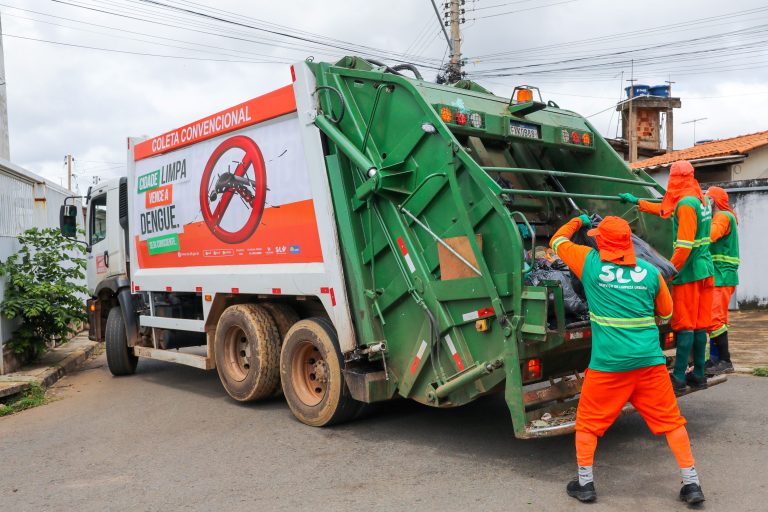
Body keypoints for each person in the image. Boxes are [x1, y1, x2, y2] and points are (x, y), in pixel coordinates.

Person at [550, 214, 705, 505]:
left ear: (601, 241)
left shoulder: (590, 263)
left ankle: (585, 484)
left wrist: (578, 220)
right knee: (672, 422)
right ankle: (692, 484)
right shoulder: (649, 272)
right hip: (649, 363)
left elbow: (557, 240)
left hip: (609, 366)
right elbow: (667, 314)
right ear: (629, 242)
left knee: (587, 423)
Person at [619, 160, 714, 394]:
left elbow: (683, 246)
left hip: (690, 272)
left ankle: (679, 378)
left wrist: (670, 272)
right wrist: (639, 203)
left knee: (685, 325)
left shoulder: (686, 204)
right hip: (704, 271)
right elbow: (666, 209)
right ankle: (699, 375)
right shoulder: (699, 198)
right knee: (700, 325)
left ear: (675, 179)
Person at [704, 186, 739, 375]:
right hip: (720, 275)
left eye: (708, 199)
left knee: (714, 319)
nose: (705, 202)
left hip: (722, 275)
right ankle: (715, 359)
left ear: (714, 200)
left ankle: (725, 361)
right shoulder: (720, 217)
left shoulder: (723, 217)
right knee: (718, 319)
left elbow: (711, 235)